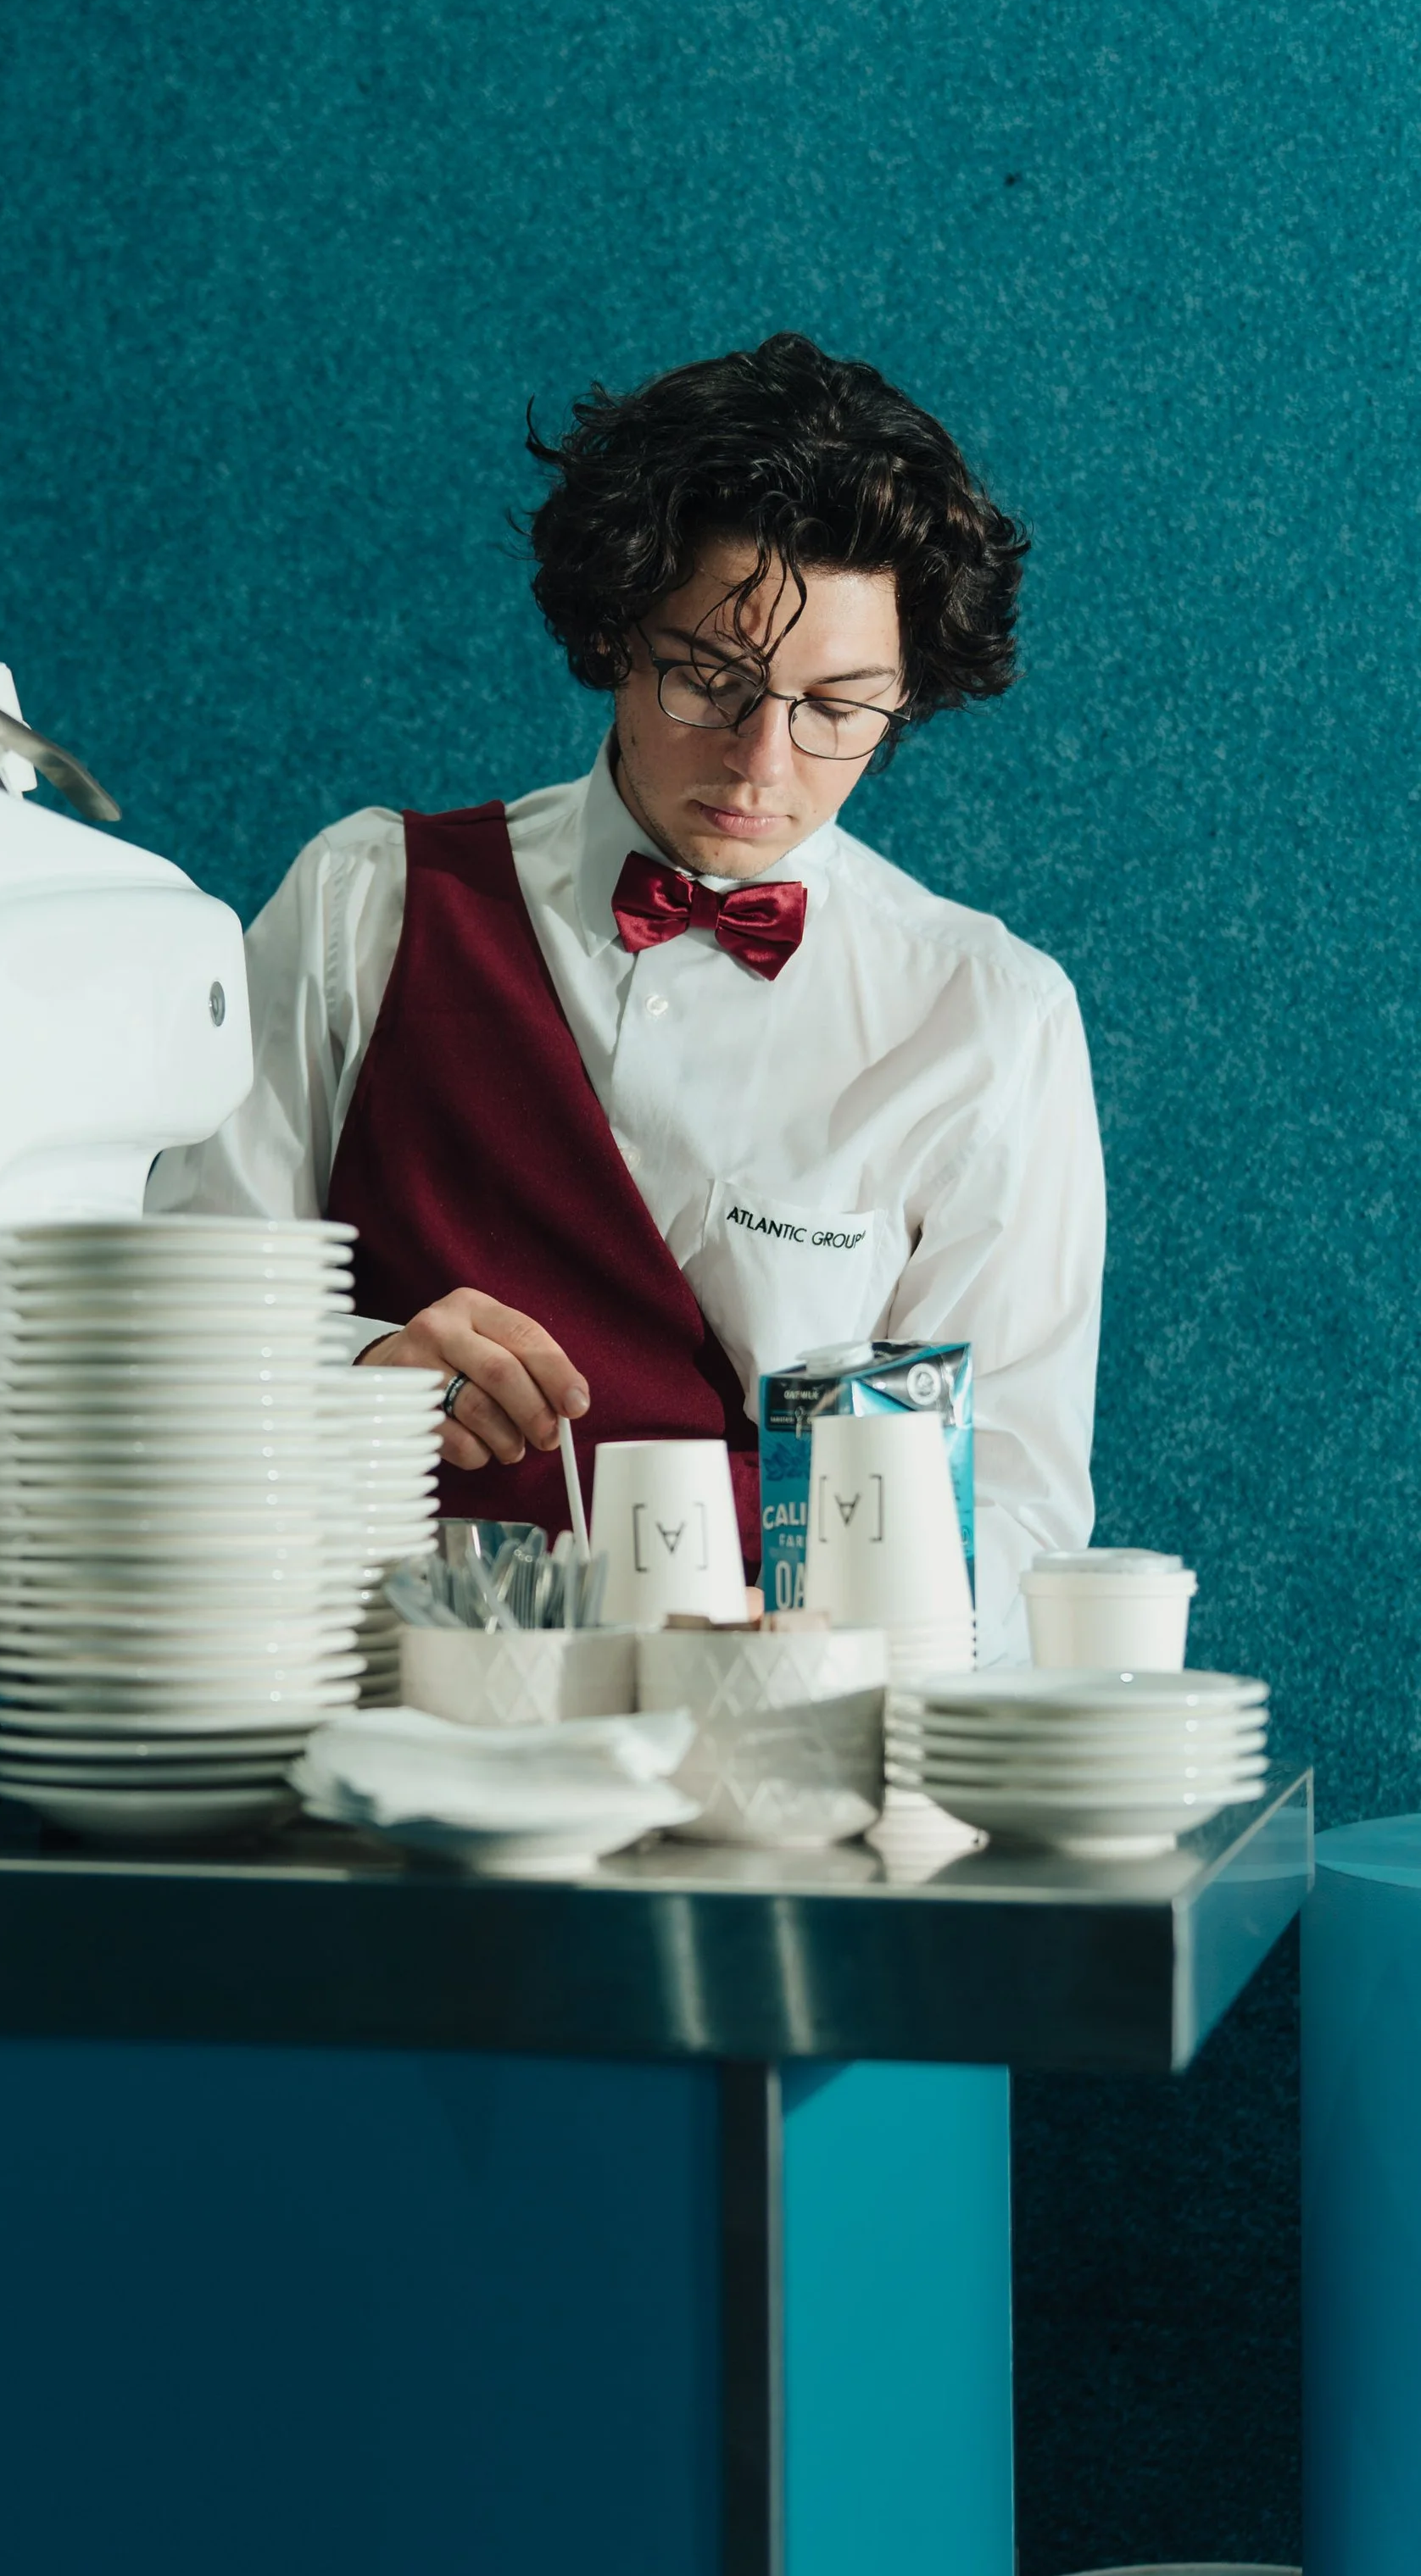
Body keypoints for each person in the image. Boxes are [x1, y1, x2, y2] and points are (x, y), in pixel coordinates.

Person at [151, 332, 1104, 1661]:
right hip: (387, 1714)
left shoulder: (988, 1016)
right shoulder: (361, 903)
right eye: (710, 678)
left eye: (842, 706)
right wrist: (357, 1379)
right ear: (611, 631)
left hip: (780, 1756)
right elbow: (164, 1330)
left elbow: (1017, 1503)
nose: (765, 759)